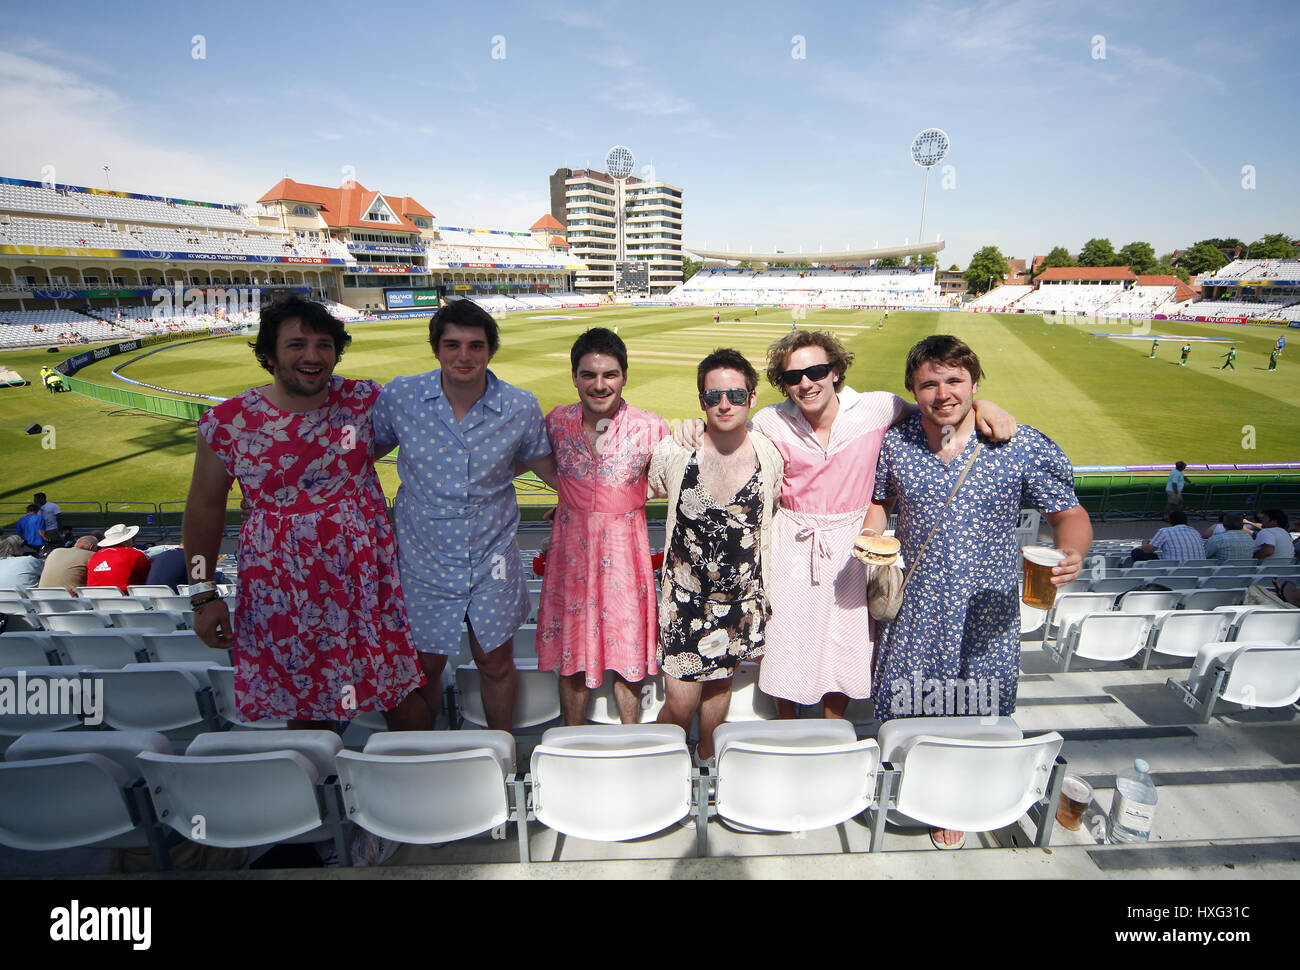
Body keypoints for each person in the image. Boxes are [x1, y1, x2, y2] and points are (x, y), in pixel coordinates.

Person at [866, 334, 1091, 849]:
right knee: (911, 701)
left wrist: (1072, 553)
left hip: (986, 605)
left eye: (954, 380)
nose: (942, 393)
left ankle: (958, 800)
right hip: (917, 602)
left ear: (974, 383)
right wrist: (874, 536)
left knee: (976, 705)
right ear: (912, 389)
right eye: (929, 383)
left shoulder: (1020, 443)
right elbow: (880, 501)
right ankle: (918, 785)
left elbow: (1068, 513)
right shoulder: (897, 443)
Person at [733, 330, 1017, 720]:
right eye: (793, 377)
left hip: (856, 539)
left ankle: (834, 730)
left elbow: (940, 407)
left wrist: (984, 405)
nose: (805, 382)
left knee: (846, 639)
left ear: (836, 371)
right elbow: (728, 438)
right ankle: (787, 726)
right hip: (793, 541)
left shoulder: (879, 408)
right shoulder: (770, 420)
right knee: (789, 636)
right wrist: (693, 429)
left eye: (816, 370)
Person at [184, 296, 426, 730]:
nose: (313, 356)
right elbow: (204, 510)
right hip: (285, 588)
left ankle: (418, 783)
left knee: (401, 688)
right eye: (297, 344)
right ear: (269, 353)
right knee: (308, 710)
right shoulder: (227, 423)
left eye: (324, 344)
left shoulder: (363, 399)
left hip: (367, 581)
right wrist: (203, 595)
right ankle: (317, 788)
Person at [372, 299, 555, 731]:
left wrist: (598, 504)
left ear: (490, 349)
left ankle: (501, 752)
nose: (464, 356)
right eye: (452, 345)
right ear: (436, 349)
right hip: (423, 559)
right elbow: (360, 457)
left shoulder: (519, 405)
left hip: (492, 559)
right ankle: (426, 760)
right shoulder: (401, 397)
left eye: (475, 345)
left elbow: (547, 467)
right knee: (424, 667)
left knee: (495, 663)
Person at [649, 349, 782, 764]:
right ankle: (658, 762)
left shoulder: (769, 452)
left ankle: (707, 762)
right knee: (681, 705)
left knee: (719, 692)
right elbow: (640, 488)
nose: (725, 404)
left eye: (736, 395)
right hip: (684, 603)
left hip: (740, 603)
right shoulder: (675, 449)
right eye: (714, 396)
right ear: (701, 401)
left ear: (753, 398)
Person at [537, 328, 667, 725]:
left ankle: (632, 742)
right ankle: (572, 743)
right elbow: (534, 460)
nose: (599, 384)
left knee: (628, 656)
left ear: (624, 376)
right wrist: (571, 498)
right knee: (571, 656)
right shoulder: (556, 422)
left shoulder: (652, 427)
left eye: (609, 374)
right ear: (574, 377)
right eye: (589, 375)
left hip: (626, 554)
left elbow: (671, 482)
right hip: (570, 554)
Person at [1125, 509, 1205, 565]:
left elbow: (1147, 550)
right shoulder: (1195, 532)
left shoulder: (1165, 531)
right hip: (1198, 566)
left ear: (1170, 521)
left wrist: (1144, 543)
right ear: (1187, 521)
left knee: (1136, 552)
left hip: (1173, 565)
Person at [85, 524, 152, 591]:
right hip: (127, 597)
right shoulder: (135, 554)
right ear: (127, 540)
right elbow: (149, 575)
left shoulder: (95, 556)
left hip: (95, 598)